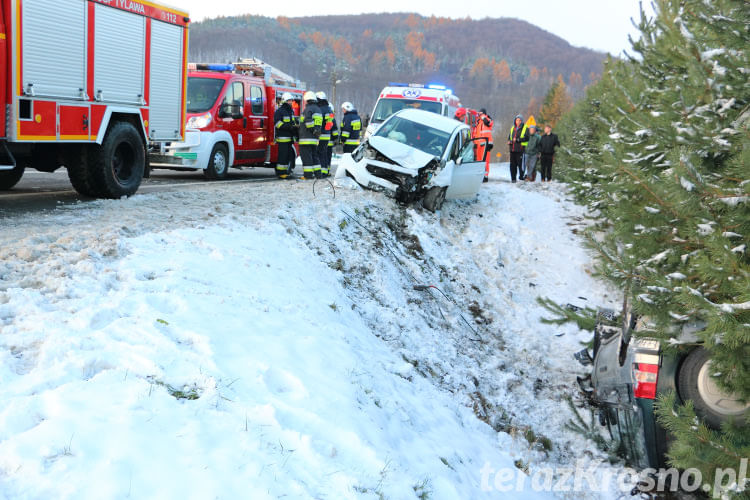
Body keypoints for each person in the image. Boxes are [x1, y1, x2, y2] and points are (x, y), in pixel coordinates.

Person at [298, 91, 323, 179]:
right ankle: (318, 174)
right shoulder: (318, 109)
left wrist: (312, 129)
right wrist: (316, 132)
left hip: (306, 138)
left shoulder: (308, 109)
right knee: (314, 156)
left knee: (306, 157)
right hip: (314, 139)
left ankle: (308, 175)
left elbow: (308, 123)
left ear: (307, 100)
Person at [273, 92, 297, 179]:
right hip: (283, 138)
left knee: (288, 156)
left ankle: (286, 171)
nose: (291, 102)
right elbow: (277, 123)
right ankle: (281, 173)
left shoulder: (290, 111)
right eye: (289, 100)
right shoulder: (280, 111)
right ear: (285, 101)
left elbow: (292, 122)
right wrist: (289, 127)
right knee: (282, 156)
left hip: (289, 138)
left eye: (291, 100)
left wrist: (295, 127)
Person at [316, 91, 336, 178]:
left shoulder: (319, 109)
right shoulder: (329, 110)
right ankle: (324, 171)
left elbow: (318, 122)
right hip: (327, 135)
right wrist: (326, 131)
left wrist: (319, 132)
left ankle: (320, 171)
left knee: (319, 153)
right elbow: (330, 124)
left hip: (320, 135)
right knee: (324, 153)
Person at [507, 114, 527, 183]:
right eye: (517, 120)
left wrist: (518, 140)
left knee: (521, 165)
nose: (518, 122)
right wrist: (509, 141)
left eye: (519, 120)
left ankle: (521, 177)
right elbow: (509, 137)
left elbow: (527, 138)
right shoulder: (512, 128)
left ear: (521, 121)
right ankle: (513, 179)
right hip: (512, 150)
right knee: (512, 165)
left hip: (520, 150)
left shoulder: (525, 128)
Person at [476, 108, 494, 182]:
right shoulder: (479, 122)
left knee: (485, 160)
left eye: (481, 113)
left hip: (486, 143)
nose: (479, 115)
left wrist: (483, 116)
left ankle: (485, 176)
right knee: (479, 160)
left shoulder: (488, 119)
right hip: (479, 144)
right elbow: (477, 134)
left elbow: (488, 123)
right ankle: (480, 175)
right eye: (479, 114)